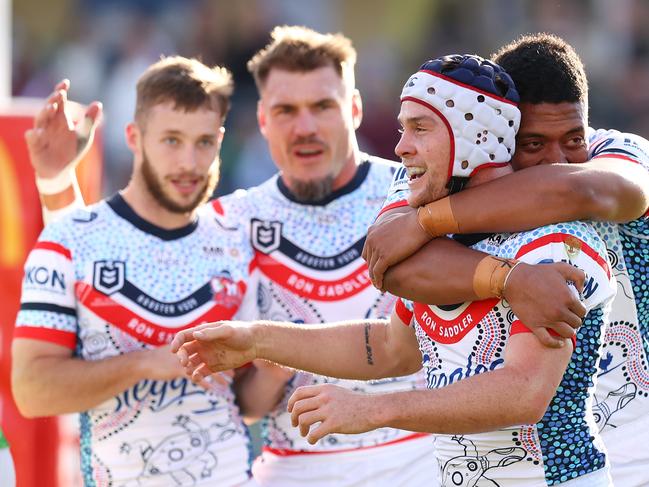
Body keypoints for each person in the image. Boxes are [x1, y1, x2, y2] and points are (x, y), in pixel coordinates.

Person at [173, 53, 616, 487]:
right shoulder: (439, 239)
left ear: (472, 137)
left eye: (420, 129)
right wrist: (257, 339)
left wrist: (375, 410)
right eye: (404, 128)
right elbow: (387, 346)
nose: (402, 146)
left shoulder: (555, 241)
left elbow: (523, 393)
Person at [361, 33, 649, 487]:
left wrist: (424, 224)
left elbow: (581, 188)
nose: (557, 160)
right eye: (533, 145)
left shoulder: (617, 152)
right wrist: (507, 280)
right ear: (495, 138)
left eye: (573, 139)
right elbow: (391, 264)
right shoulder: (442, 171)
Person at [12, 57, 260, 486]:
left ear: (220, 140)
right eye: (171, 140)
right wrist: (146, 363)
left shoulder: (240, 238)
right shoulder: (69, 241)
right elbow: (31, 390)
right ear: (134, 137)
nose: (188, 161)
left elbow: (246, 402)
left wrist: (276, 367)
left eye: (203, 142)